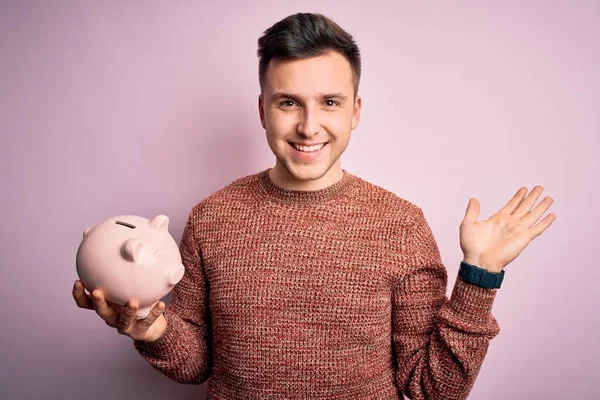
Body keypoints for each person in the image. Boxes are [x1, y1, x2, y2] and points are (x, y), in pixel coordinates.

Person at [73, 12, 556, 400]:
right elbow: (198, 364)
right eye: (288, 102)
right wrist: (151, 328)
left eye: (329, 102)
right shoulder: (211, 218)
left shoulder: (400, 225)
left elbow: (433, 390)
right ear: (262, 109)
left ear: (355, 111)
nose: (308, 126)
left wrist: (480, 275)